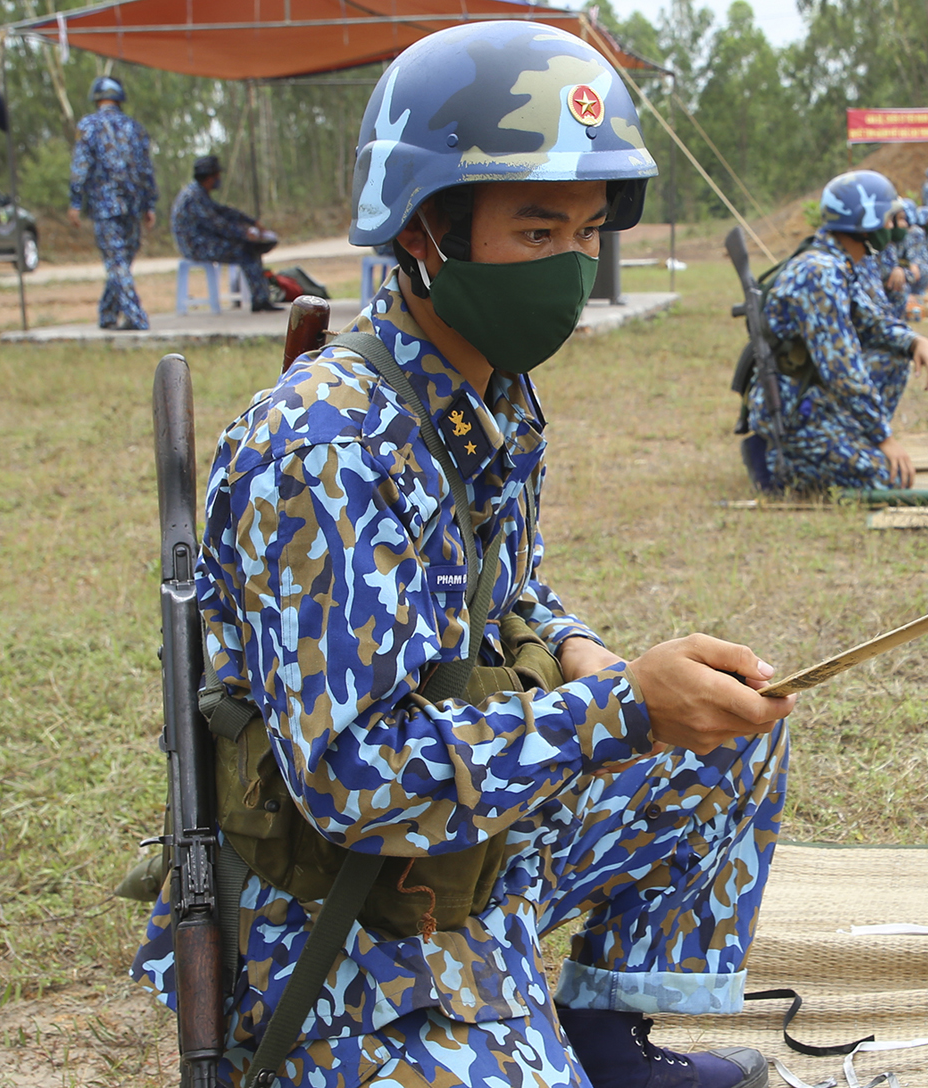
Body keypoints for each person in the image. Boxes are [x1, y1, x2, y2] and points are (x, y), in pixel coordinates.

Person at [131, 22, 794, 1088]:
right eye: (536, 230)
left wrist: (577, 651)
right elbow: (353, 778)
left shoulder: (485, 395)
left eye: (586, 232)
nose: (570, 268)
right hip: (343, 925)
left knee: (727, 735)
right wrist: (620, 710)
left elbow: (505, 586)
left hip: (471, 850)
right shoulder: (325, 448)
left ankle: (608, 1041)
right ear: (423, 230)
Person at [744, 169, 928, 492]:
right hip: (793, 413)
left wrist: (915, 341)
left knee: (894, 356)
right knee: (890, 478)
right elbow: (842, 370)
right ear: (865, 223)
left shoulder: (837, 262)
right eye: (888, 219)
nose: (892, 228)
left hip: (811, 396)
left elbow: (872, 321)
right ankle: (778, 460)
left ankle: (847, 441)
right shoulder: (820, 273)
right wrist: (884, 438)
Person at [67, 76, 156, 330]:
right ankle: (108, 314)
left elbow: (80, 167)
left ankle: (136, 317)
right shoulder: (135, 128)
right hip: (133, 204)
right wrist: (149, 204)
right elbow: (146, 169)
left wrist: (75, 202)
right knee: (121, 260)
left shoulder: (88, 126)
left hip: (105, 207)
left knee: (117, 262)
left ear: (96, 97)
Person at [170, 154, 282, 312]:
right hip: (196, 246)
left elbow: (223, 212)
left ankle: (261, 298)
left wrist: (250, 222)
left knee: (248, 248)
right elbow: (217, 225)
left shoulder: (198, 193)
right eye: (217, 175)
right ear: (210, 177)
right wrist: (244, 233)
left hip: (204, 241)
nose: (219, 179)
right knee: (246, 251)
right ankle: (260, 300)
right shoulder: (193, 197)